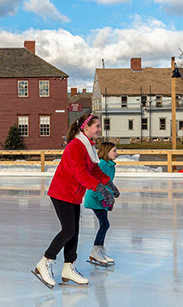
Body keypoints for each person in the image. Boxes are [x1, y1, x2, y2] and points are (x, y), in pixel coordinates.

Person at [32, 113, 119, 289]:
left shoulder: (88, 146)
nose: (99, 129)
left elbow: (94, 170)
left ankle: (68, 268)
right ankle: (45, 262)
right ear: (86, 128)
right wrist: (100, 189)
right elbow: (80, 174)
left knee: (74, 232)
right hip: (62, 193)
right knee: (68, 230)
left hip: (73, 195)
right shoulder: (76, 146)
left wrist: (109, 184)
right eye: (97, 126)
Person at [84, 141, 118, 267]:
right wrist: (103, 198)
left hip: (103, 199)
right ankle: (96, 250)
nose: (116, 153)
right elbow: (94, 185)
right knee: (105, 224)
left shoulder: (111, 166)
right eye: (114, 151)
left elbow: (107, 183)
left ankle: (99, 249)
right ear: (106, 151)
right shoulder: (102, 165)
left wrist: (111, 195)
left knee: (105, 224)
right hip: (95, 198)